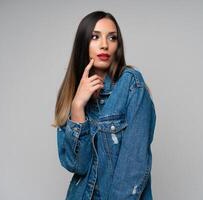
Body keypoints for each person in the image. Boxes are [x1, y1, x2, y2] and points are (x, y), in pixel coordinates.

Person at [52, 10, 156, 200]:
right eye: (95, 37)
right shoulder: (72, 95)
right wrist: (77, 108)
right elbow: (77, 165)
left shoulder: (132, 85)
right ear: (83, 43)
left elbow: (134, 166)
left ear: (118, 45)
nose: (104, 45)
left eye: (112, 38)